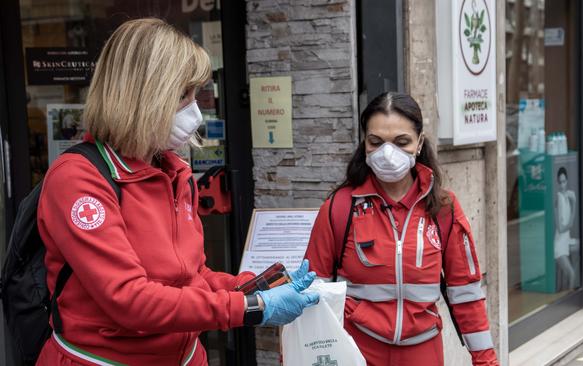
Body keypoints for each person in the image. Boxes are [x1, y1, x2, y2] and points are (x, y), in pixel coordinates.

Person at [36, 18, 319, 365]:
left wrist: (257, 286)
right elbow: (129, 300)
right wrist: (251, 308)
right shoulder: (79, 179)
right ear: (140, 96)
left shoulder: (173, 172)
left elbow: (192, 277)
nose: (196, 112)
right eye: (182, 95)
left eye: (195, 94)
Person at [304, 92, 499, 365]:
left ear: (419, 143)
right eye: (376, 142)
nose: (388, 152)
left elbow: (465, 293)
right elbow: (312, 289)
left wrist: (485, 360)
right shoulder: (339, 208)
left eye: (401, 142)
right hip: (355, 351)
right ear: (365, 143)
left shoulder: (444, 208)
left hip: (423, 351)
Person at [554, 167, 578, 291]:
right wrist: (574, 204)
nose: (563, 185)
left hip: (566, 241)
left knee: (581, 247)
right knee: (572, 274)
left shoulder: (567, 196)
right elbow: (561, 228)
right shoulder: (559, 198)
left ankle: (565, 285)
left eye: (564, 181)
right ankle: (570, 296)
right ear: (558, 183)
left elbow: (569, 225)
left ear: (567, 181)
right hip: (559, 246)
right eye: (560, 182)